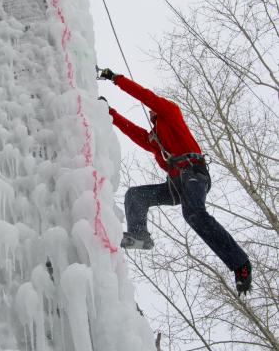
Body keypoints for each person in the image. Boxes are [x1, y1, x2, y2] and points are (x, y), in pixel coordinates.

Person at [98, 68, 252, 295]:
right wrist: (107, 111)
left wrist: (115, 79)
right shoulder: (155, 139)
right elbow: (133, 132)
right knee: (136, 196)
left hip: (193, 173)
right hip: (178, 183)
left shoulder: (170, 113)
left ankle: (240, 264)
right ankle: (139, 235)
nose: (150, 113)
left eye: (152, 111)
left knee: (194, 214)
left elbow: (145, 95)